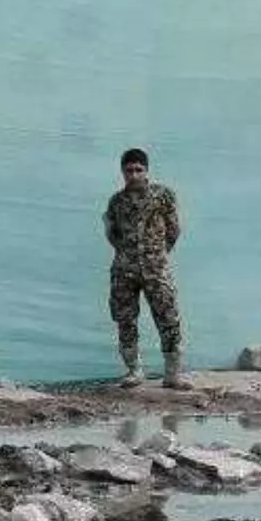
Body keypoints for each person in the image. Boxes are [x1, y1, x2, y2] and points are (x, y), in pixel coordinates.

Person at [102, 146, 191, 390]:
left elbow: (174, 230)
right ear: (122, 171)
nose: (134, 175)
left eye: (138, 170)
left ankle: (173, 374)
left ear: (147, 170)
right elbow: (112, 234)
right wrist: (127, 254)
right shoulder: (116, 202)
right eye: (129, 170)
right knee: (125, 320)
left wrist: (157, 255)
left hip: (156, 270)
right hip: (124, 271)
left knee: (168, 318)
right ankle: (134, 371)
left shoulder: (163, 196)